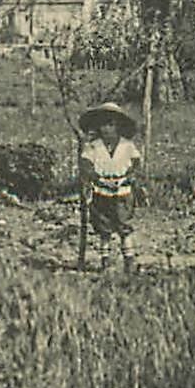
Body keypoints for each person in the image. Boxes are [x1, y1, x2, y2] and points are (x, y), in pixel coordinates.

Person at [78, 101, 141, 271]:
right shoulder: (94, 146)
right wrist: (96, 178)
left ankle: (129, 260)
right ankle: (105, 260)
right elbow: (86, 165)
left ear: (118, 126)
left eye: (111, 125)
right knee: (103, 226)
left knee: (124, 225)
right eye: (103, 125)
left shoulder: (127, 146)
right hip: (101, 190)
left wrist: (128, 177)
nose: (106, 129)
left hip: (122, 190)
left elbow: (135, 164)